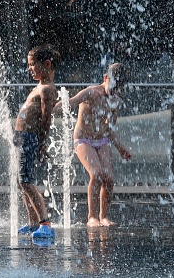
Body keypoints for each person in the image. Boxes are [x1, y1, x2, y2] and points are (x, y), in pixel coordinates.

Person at [53, 63, 132, 227]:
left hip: (102, 140)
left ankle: (104, 216)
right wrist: (50, 109)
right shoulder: (91, 92)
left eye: (119, 88)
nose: (115, 91)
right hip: (83, 140)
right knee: (96, 174)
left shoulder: (116, 101)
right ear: (105, 78)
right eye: (114, 86)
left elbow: (110, 128)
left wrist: (120, 147)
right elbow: (72, 102)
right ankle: (91, 217)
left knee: (109, 179)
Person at [15, 44, 60, 240]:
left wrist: (42, 143)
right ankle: (33, 223)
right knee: (22, 181)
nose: (30, 68)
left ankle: (45, 223)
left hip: (30, 138)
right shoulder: (40, 86)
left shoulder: (48, 89)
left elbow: (46, 119)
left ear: (47, 64)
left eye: (33, 64)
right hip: (22, 137)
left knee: (26, 181)